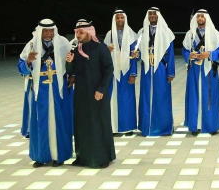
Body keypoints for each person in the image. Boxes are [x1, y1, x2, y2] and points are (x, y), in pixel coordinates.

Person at [17, 19, 73, 167]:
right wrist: (28, 61)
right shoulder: (31, 45)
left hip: (58, 86)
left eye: (51, 30)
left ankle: (59, 156)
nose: (48, 33)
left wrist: (72, 74)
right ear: (40, 31)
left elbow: (73, 63)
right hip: (39, 87)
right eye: (45, 31)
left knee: (60, 119)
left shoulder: (63, 43)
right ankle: (41, 156)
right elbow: (21, 68)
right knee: (39, 120)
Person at [66, 20, 115, 169]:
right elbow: (71, 73)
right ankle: (82, 157)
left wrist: (101, 89)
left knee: (98, 124)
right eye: (76, 32)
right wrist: (69, 63)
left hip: (97, 93)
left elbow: (108, 70)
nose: (77, 35)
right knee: (81, 125)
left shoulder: (101, 48)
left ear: (89, 32)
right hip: (81, 94)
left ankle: (102, 157)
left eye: (80, 32)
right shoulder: (75, 50)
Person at [132, 8, 176, 136]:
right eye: (150, 14)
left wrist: (170, 72)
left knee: (162, 97)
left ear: (158, 16)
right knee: (145, 97)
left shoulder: (166, 32)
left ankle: (163, 127)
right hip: (146, 68)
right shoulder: (142, 32)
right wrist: (136, 55)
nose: (152, 16)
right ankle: (147, 127)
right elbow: (138, 51)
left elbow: (171, 54)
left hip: (161, 68)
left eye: (154, 14)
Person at [182, 9, 219, 135]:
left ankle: (210, 126)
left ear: (206, 18)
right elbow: (184, 50)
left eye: (202, 16)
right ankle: (195, 126)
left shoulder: (214, 33)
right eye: (198, 16)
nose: (200, 18)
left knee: (210, 97)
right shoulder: (190, 34)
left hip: (209, 70)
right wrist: (189, 56)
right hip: (194, 70)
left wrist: (209, 54)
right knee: (194, 96)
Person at [103, 9, 137, 135]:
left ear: (125, 19)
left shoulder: (132, 34)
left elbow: (135, 55)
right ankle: (114, 127)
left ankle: (128, 127)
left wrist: (133, 73)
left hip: (127, 71)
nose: (120, 20)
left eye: (122, 17)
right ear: (114, 20)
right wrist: (108, 50)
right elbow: (103, 55)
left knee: (127, 99)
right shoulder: (109, 34)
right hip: (112, 72)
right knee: (112, 98)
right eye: (117, 18)